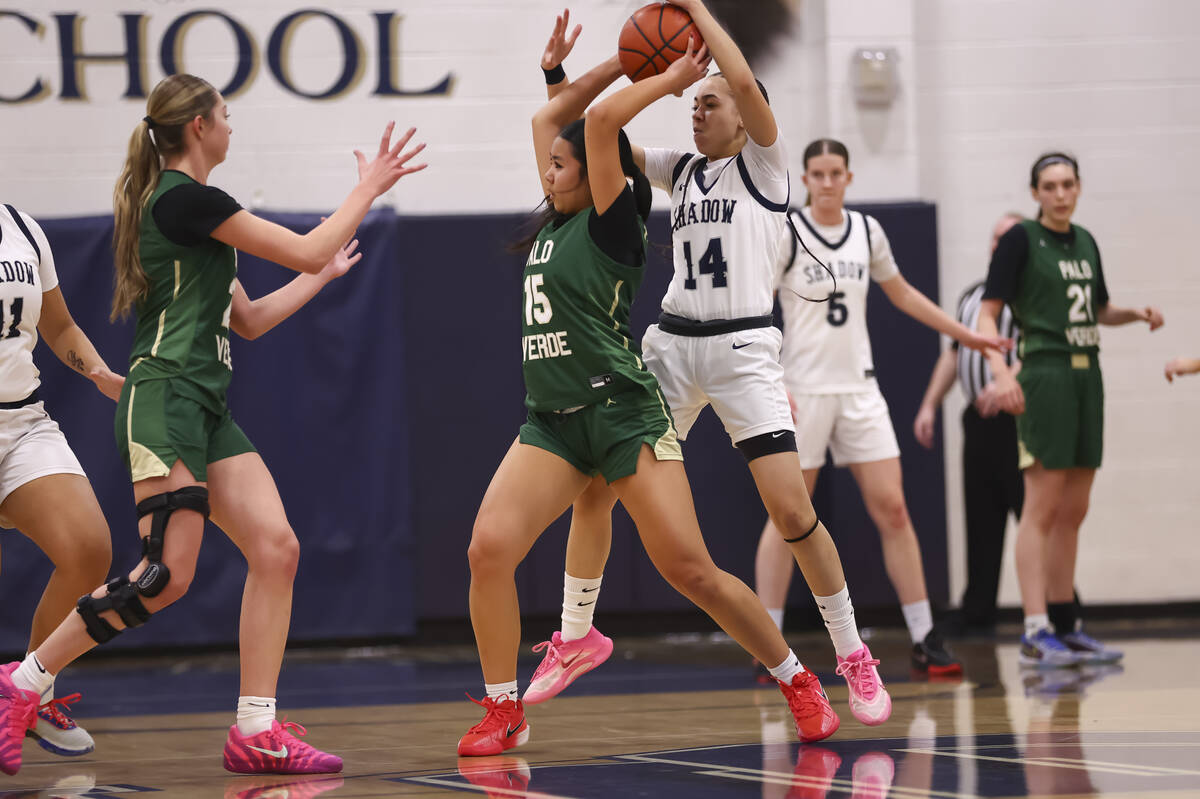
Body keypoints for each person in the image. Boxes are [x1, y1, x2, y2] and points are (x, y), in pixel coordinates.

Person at [0, 73, 426, 777]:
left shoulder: (192, 216)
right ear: (199, 125)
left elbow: (250, 320)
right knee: (165, 576)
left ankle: (255, 728)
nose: (233, 125)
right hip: (165, 399)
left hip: (204, 404)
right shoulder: (186, 200)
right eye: (227, 114)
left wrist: (322, 277)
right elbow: (309, 244)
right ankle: (23, 681)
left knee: (277, 547)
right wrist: (367, 188)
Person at [458, 37, 843, 759]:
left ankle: (795, 676)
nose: (548, 168)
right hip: (553, 419)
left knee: (689, 570)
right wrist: (567, 72)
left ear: (598, 176)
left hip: (619, 412)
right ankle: (504, 707)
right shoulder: (563, 205)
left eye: (562, 165)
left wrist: (667, 77)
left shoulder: (613, 220)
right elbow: (564, 123)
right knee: (487, 550)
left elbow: (598, 127)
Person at [526, 1, 895, 730]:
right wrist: (560, 75)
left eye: (710, 100)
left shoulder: (766, 167)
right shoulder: (683, 171)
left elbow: (748, 84)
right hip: (672, 343)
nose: (697, 110)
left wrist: (694, 10)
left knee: (792, 512)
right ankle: (574, 634)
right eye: (691, 102)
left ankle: (852, 651)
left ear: (740, 111)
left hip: (744, 351)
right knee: (598, 479)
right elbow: (588, 141)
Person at [754, 139, 1009, 677]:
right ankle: (767, 639)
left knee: (894, 510)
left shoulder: (868, 232)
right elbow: (755, 308)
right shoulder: (789, 232)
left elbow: (906, 296)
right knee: (786, 519)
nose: (826, 182)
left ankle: (924, 636)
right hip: (803, 391)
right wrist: (774, 381)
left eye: (835, 173)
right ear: (804, 180)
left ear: (849, 177)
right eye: (817, 173)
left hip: (860, 391)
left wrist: (969, 335)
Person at [978, 151, 1162, 667]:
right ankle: (1035, 631)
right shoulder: (1019, 241)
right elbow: (988, 316)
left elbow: (1099, 309)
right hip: (1045, 374)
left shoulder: (1085, 241)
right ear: (1035, 192)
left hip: (1088, 375)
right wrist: (1001, 375)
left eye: (1068, 184)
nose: (1060, 194)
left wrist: (1135, 313)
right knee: (1040, 508)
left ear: (1079, 188)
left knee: (1073, 511)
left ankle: (1066, 624)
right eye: (1050, 186)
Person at [0, 203, 125, 761]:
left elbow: (59, 324)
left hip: (21, 421)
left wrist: (98, 373)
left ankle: (27, 693)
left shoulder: (22, 228)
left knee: (89, 548)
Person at [913, 212, 1026, 635]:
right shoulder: (974, 296)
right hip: (977, 422)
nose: (1001, 246)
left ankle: (1060, 606)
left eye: (1010, 238)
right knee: (981, 516)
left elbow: (1038, 352)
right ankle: (978, 609)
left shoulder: (1031, 295)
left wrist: (1008, 383)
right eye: (996, 238)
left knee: (1034, 515)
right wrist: (929, 405)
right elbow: (953, 354)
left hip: (1021, 421)